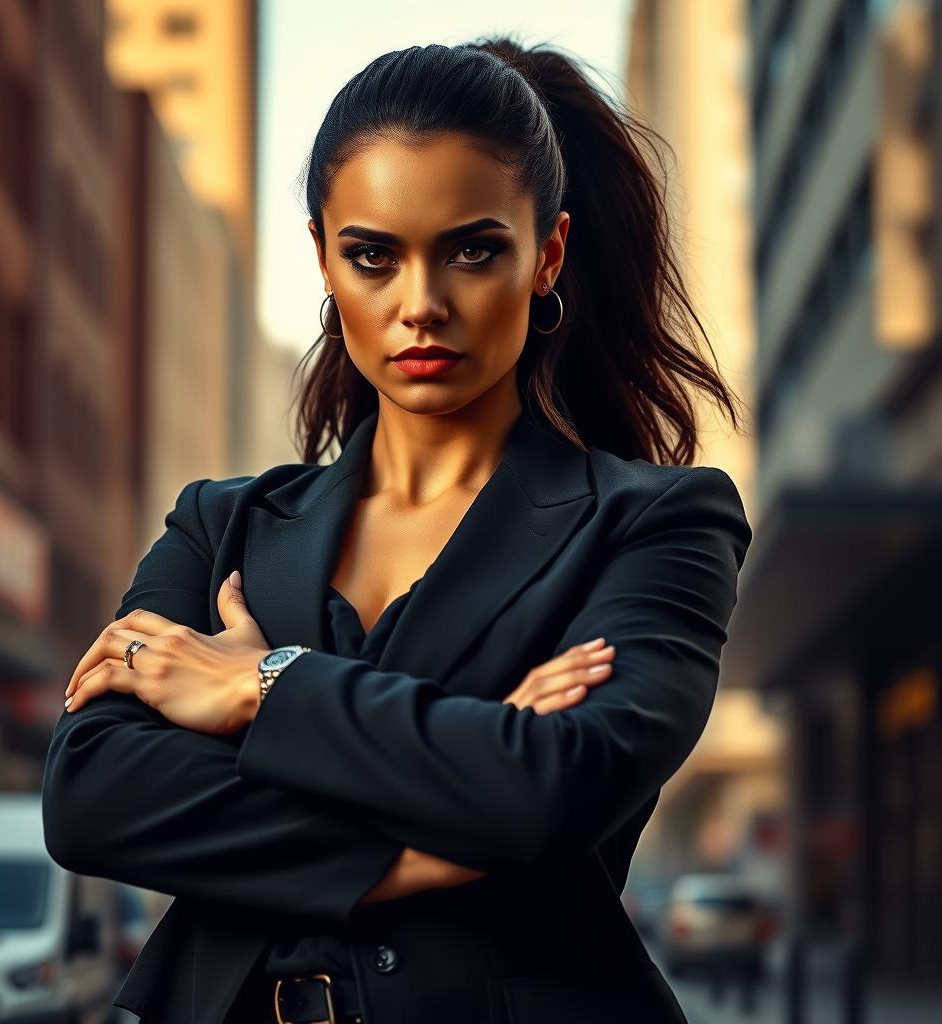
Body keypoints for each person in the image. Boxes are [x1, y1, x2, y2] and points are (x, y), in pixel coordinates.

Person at [41, 36, 753, 1024]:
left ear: (546, 252)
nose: (421, 306)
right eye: (373, 256)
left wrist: (260, 686)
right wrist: (431, 840)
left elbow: (554, 788)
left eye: (471, 249)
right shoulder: (223, 525)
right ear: (324, 258)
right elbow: (93, 794)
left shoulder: (657, 521)